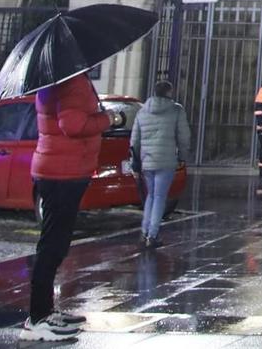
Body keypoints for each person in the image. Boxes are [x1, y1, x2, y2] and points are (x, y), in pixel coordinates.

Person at [20, 71, 108, 342]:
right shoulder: (71, 82)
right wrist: (108, 118)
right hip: (63, 172)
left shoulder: (55, 81)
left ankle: (44, 311)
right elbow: (72, 124)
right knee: (52, 245)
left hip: (59, 169)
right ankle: (38, 318)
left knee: (55, 243)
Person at [128, 79, 191, 249]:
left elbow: (134, 140)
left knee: (150, 196)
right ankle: (153, 235)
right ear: (169, 92)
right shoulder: (176, 110)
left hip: (146, 161)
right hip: (166, 160)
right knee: (159, 197)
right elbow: (183, 136)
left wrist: (135, 163)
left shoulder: (142, 112)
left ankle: (144, 231)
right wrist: (183, 156)